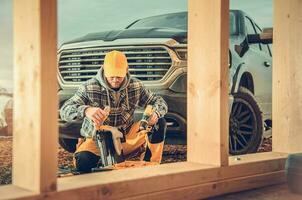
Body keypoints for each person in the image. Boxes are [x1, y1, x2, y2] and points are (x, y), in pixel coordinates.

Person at [60, 50, 168, 173]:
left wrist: (156, 113)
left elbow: (159, 101)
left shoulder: (136, 86)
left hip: (127, 137)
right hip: (97, 140)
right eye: (111, 76)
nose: (115, 80)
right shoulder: (88, 87)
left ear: (126, 71)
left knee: (159, 122)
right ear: (104, 70)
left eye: (119, 76)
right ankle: (103, 160)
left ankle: (150, 164)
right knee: (83, 163)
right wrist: (86, 110)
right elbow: (65, 110)